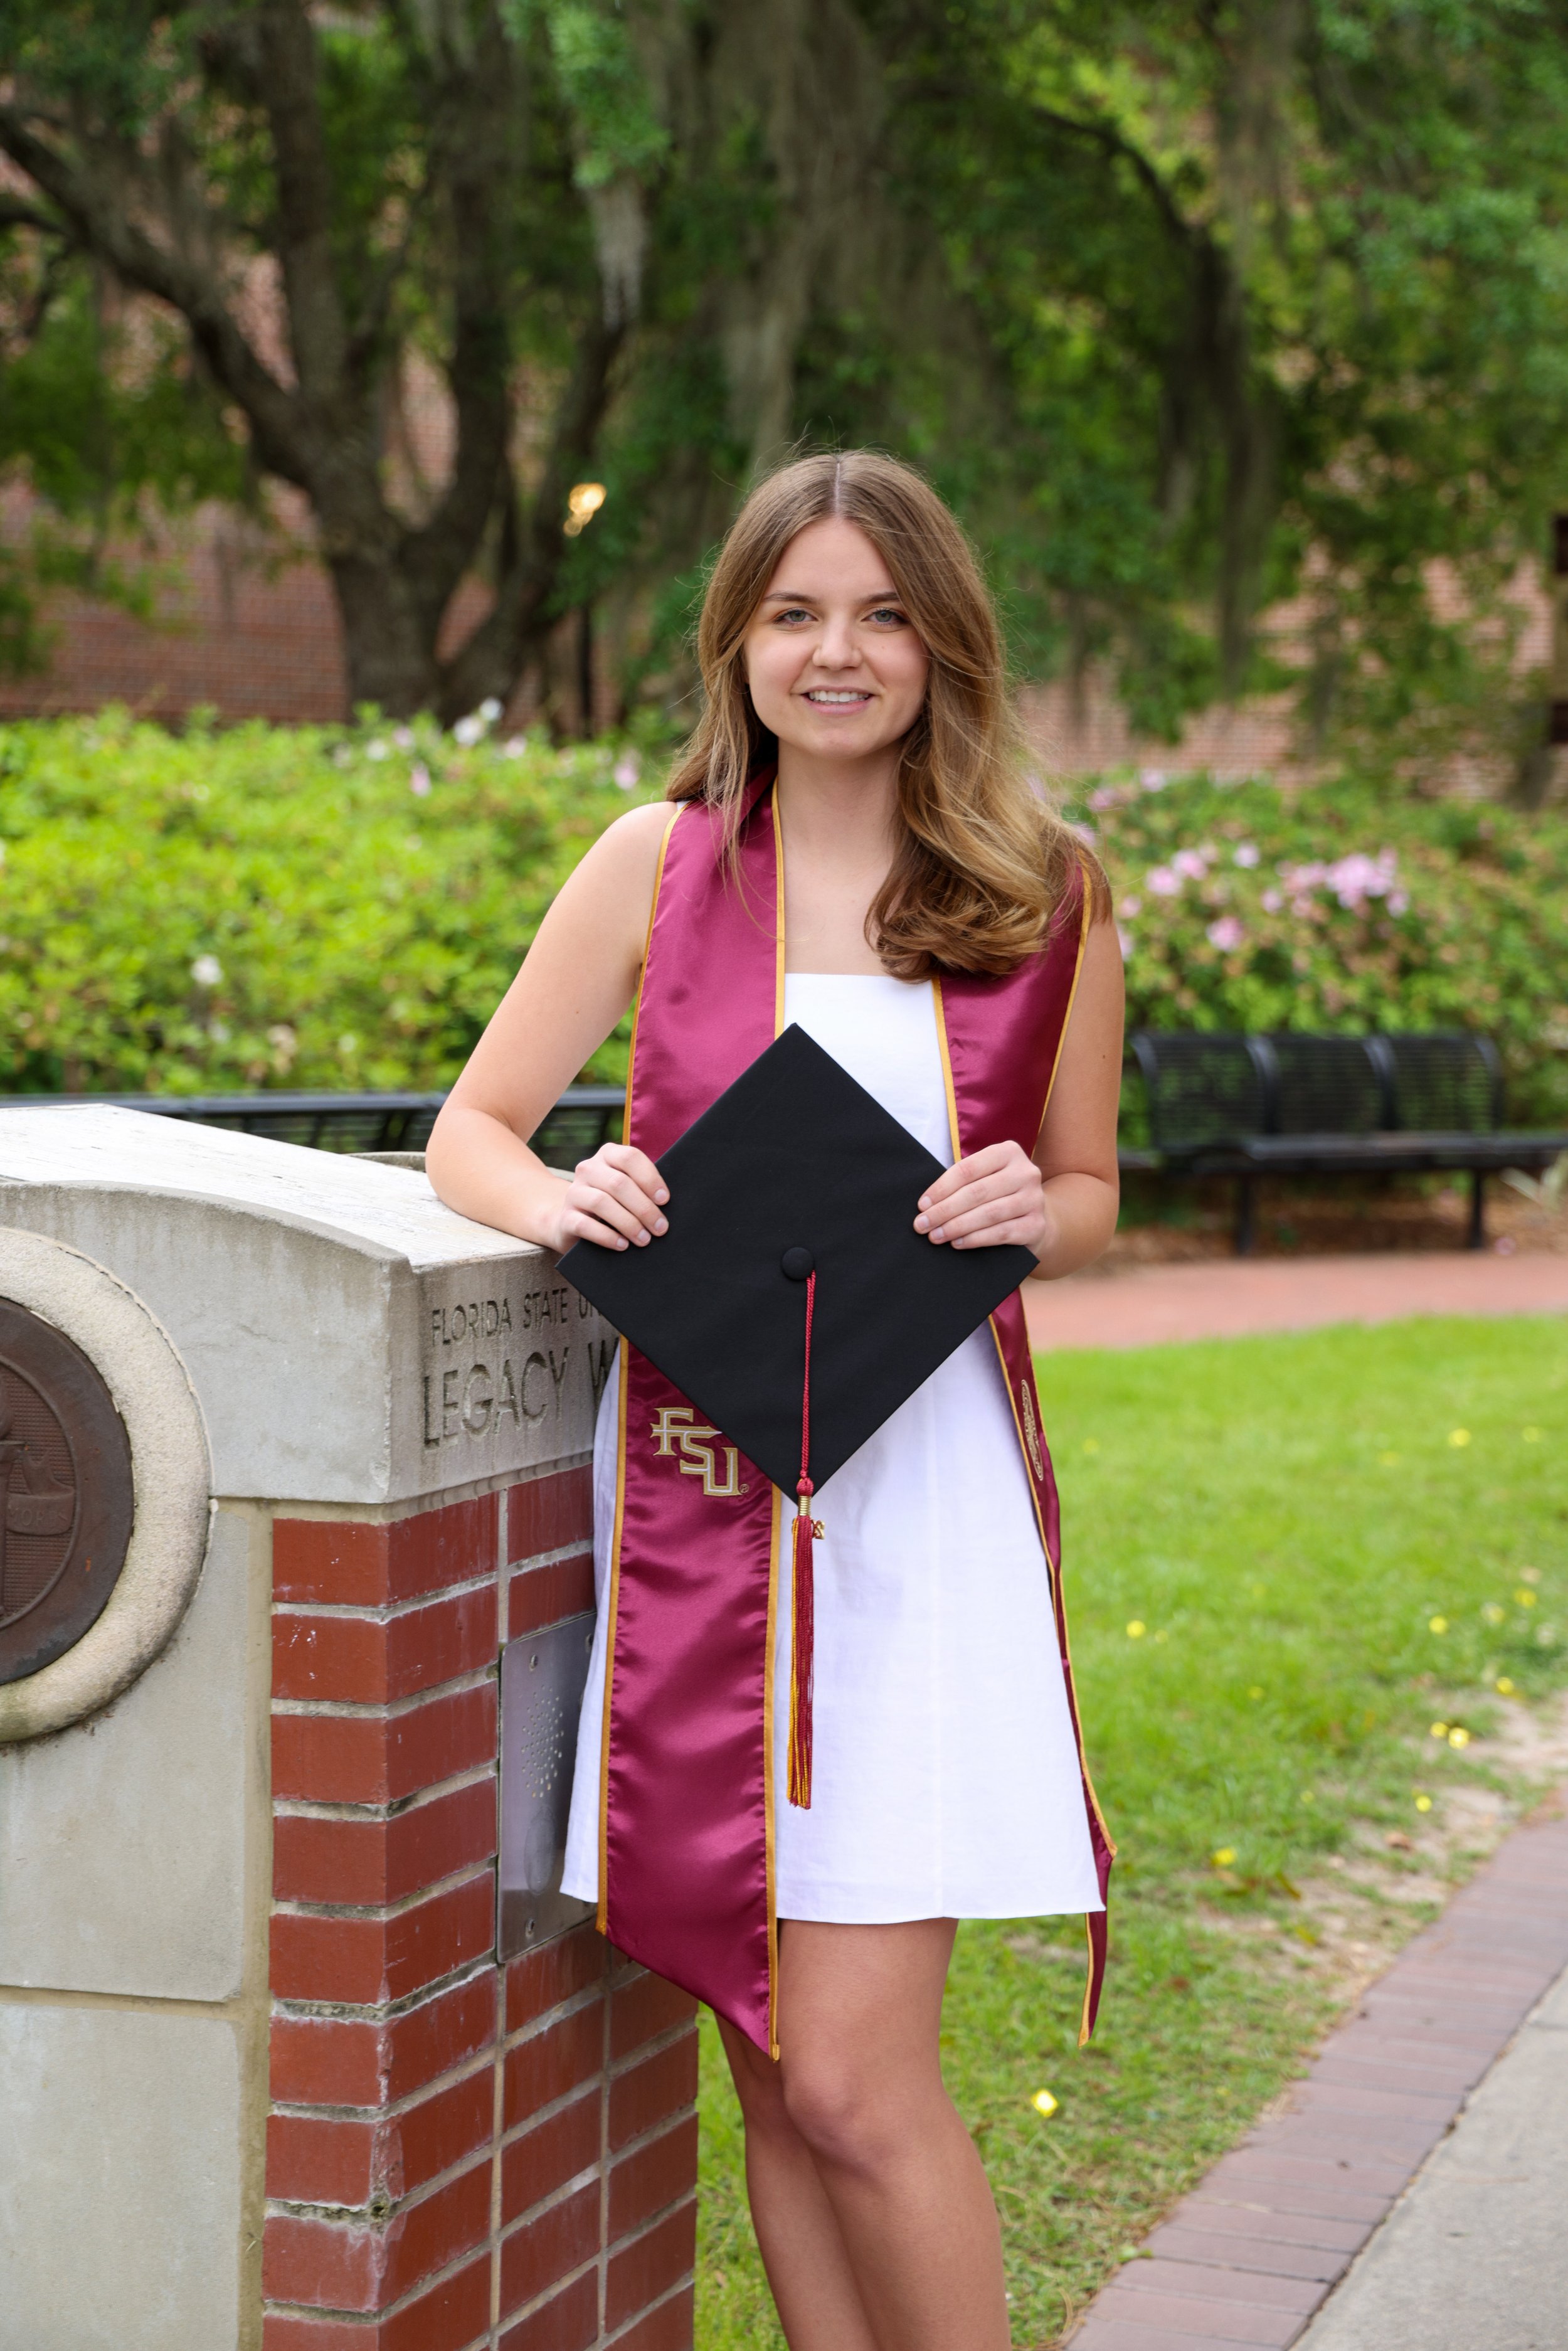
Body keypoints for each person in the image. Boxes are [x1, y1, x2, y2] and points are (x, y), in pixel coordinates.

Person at [426, 450, 1123, 2351]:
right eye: (797, 613)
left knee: (852, 2083)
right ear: (734, 643)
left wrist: (1025, 1210)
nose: (839, 652)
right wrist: (564, 1192)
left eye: (883, 614)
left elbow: (1086, 1185)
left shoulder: (1037, 893)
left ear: (940, 642)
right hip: (696, 1492)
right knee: (763, 2058)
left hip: (917, 1508)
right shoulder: (652, 868)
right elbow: (469, 1132)